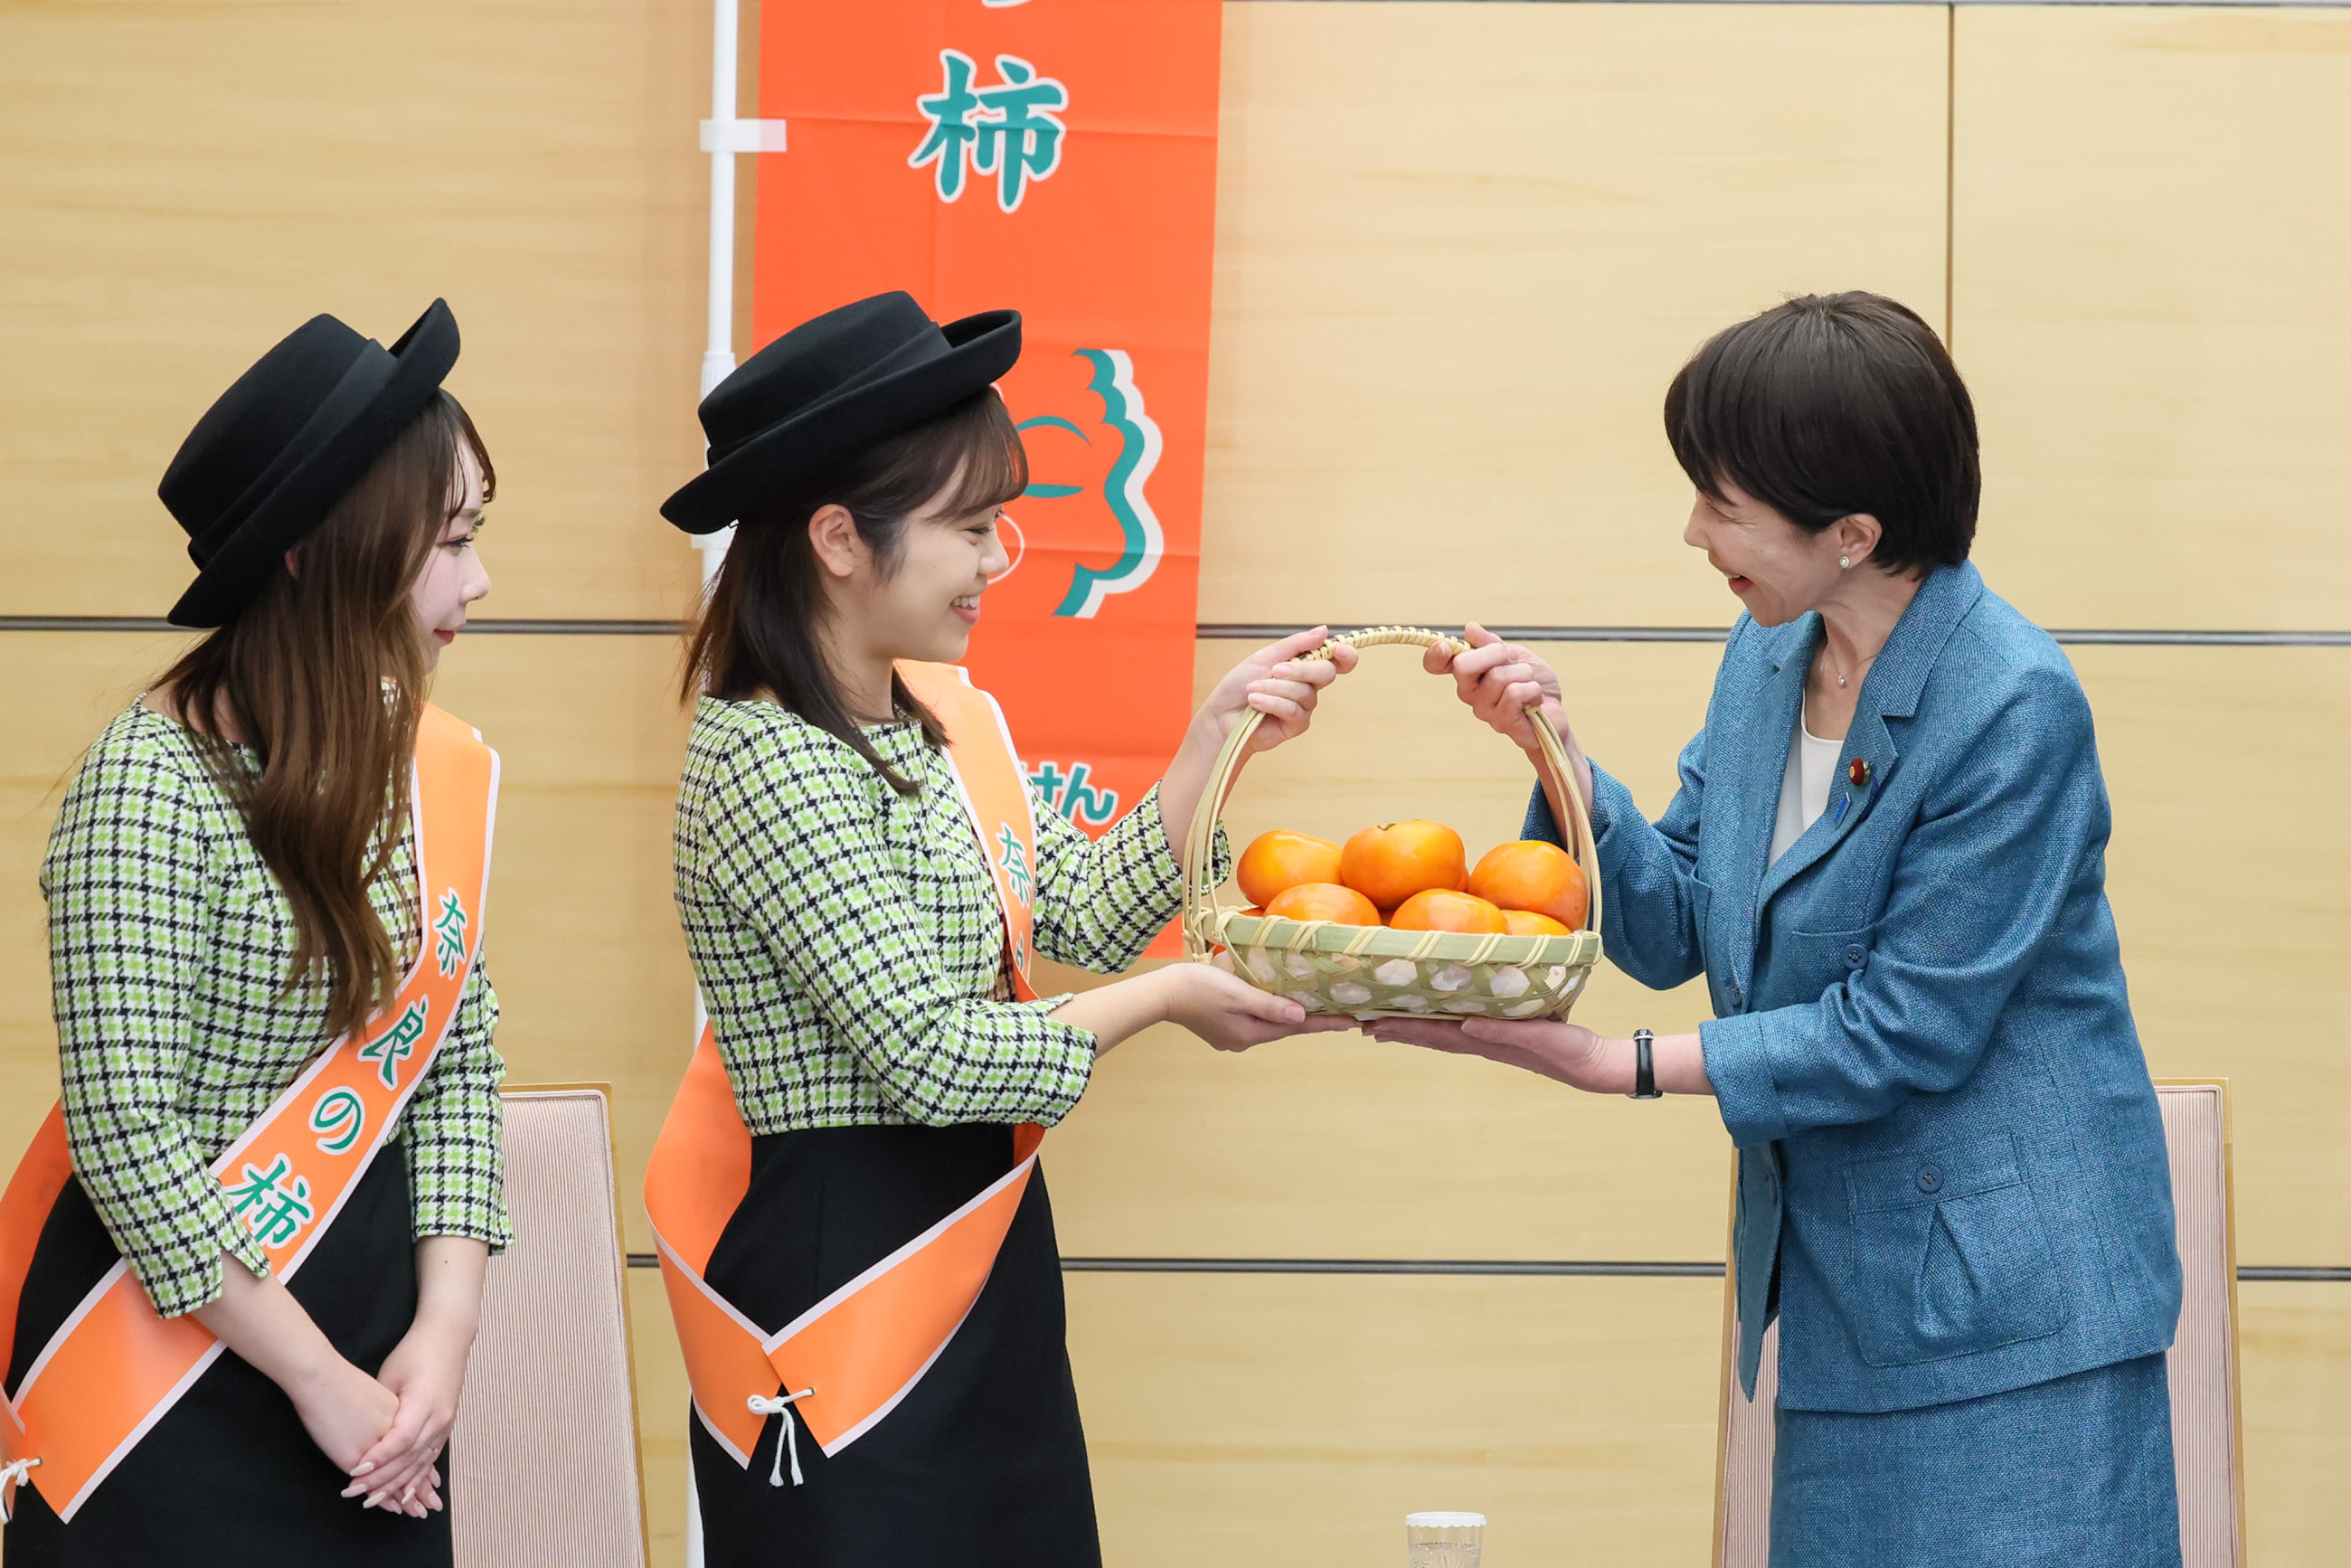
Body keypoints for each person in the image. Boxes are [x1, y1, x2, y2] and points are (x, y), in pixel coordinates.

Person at [1374, 293, 2184, 1565]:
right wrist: (1556, 753)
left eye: (1724, 504)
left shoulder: (2013, 703)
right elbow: (1676, 923)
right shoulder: (1768, 656)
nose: (1695, 532)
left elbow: (1904, 1029)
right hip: (1841, 1294)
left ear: (1854, 533)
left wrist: (1620, 1064)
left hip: (2015, 1319)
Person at [653, 291, 1348, 1566]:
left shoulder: (933, 719)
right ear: (838, 538)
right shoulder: (762, 754)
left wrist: (1218, 739)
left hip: (987, 1249)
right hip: (846, 1275)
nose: (995, 562)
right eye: (970, 529)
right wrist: (1169, 997)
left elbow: (1077, 907)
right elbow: (930, 1057)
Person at [3, 302, 509, 1566]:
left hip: (381, 1366)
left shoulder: (408, 765)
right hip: (167, 1366)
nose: (478, 582)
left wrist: (445, 1328)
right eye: (451, 541)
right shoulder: (148, 784)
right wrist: (316, 1378)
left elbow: (454, 1051)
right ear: (317, 550)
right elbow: (127, 1132)